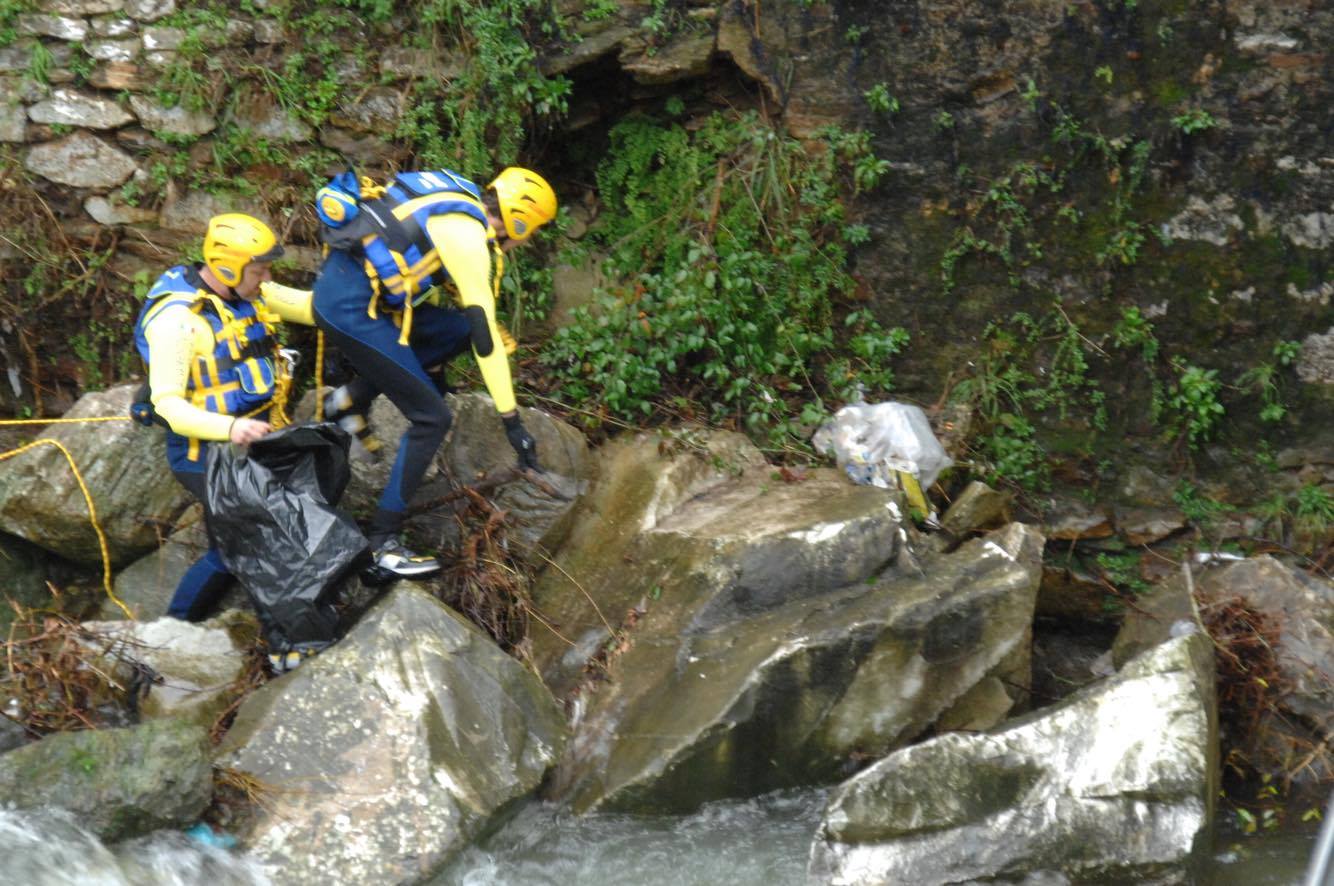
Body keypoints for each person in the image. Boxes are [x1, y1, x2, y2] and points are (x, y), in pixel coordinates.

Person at [312, 166, 557, 584]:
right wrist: (512, 423)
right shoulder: (469, 238)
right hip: (354, 311)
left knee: (456, 329)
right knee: (432, 419)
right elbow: (486, 339)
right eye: (531, 230)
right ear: (519, 220)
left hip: (361, 294)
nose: (527, 239)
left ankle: (350, 398)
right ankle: (383, 543)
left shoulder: (456, 194)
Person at [132, 213, 315, 625]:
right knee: (249, 541)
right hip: (202, 457)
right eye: (259, 269)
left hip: (248, 449)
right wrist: (231, 428)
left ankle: (181, 626)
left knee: (233, 550)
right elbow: (167, 406)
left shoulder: (249, 293)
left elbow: (310, 308)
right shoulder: (178, 321)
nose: (267, 277)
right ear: (228, 267)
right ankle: (184, 630)